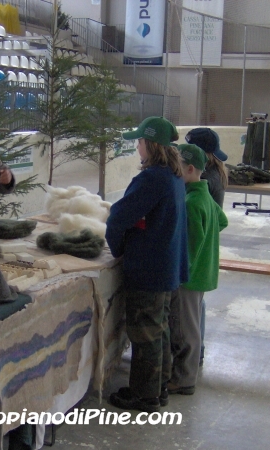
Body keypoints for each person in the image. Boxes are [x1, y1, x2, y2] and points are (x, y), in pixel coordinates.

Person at [105, 116, 189, 413]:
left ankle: (144, 396)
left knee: (145, 333)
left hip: (149, 268)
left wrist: (117, 248)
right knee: (160, 329)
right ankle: (159, 387)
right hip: (167, 266)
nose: (137, 146)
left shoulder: (152, 179)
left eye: (139, 141)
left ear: (150, 145)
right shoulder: (174, 176)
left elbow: (118, 217)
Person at [168, 144, 228, 396]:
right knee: (189, 325)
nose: (173, 173)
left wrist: (179, 273)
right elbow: (222, 221)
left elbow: (189, 248)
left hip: (189, 278)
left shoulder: (192, 202)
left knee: (184, 330)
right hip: (204, 271)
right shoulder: (204, 195)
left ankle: (184, 379)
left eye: (176, 168)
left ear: (190, 169)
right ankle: (184, 374)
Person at [185, 127, 229, 366]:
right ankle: (197, 350)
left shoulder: (203, 183)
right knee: (196, 305)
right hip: (206, 249)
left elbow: (206, 220)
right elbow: (220, 220)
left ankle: (193, 356)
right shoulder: (215, 173)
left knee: (190, 311)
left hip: (197, 253)